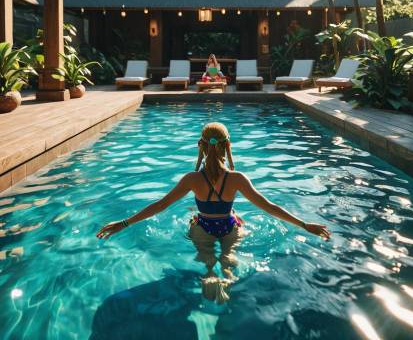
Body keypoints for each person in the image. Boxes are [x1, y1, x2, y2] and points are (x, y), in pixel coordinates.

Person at [96, 122, 330, 303]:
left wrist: (124, 223)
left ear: (201, 146)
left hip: (203, 228)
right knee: (229, 253)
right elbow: (269, 207)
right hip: (229, 227)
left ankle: (209, 273)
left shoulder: (191, 179)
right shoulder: (237, 179)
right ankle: (227, 275)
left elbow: (160, 205)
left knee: (205, 253)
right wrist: (304, 224)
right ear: (227, 146)